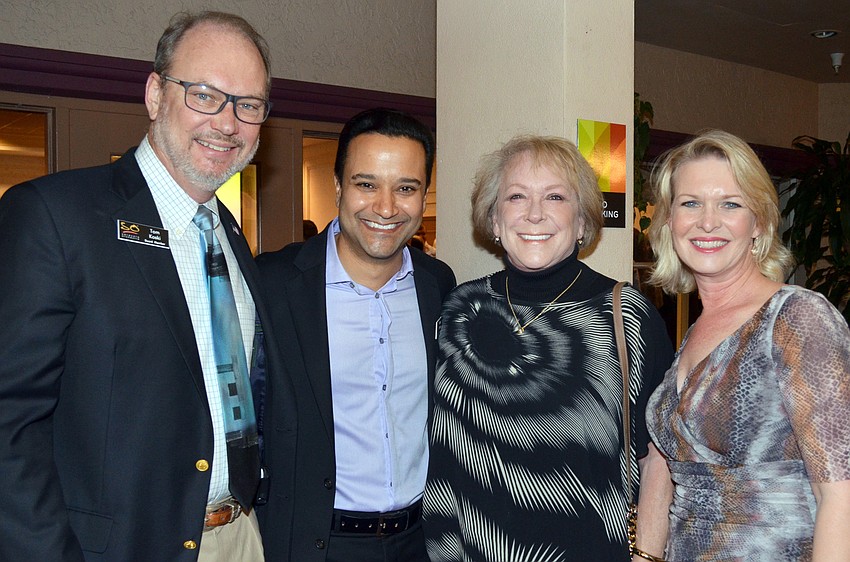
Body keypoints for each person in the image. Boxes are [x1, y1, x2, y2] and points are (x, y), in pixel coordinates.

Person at [0, 11, 290, 561]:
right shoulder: (56, 218)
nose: (227, 123)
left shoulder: (229, 234)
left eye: (248, 105)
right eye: (205, 95)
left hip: (240, 537)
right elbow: (9, 425)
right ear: (156, 95)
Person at [423, 135, 673, 561]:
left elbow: (662, 455)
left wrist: (648, 555)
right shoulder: (459, 308)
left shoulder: (627, 316)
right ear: (495, 221)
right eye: (516, 196)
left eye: (555, 197)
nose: (534, 213)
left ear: (582, 222)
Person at [256, 108, 456, 562]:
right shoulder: (273, 284)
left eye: (406, 188)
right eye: (367, 185)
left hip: (421, 542)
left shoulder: (438, 285)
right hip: (315, 544)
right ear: (338, 187)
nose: (386, 208)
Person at [645, 129, 850, 561]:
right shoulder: (695, 331)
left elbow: (840, 496)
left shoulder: (798, 317)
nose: (707, 222)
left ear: (759, 223)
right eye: (690, 203)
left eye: (730, 204)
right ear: (669, 221)